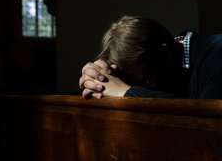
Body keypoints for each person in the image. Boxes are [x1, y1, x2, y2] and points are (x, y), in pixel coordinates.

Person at [79, 15, 222, 99]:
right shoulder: (159, 67)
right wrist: (98, 79)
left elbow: (204, 125)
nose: (140, 88)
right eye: (129, 82)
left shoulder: (216, 54)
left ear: (164, 52)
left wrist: (125, 92)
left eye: (145, 81)